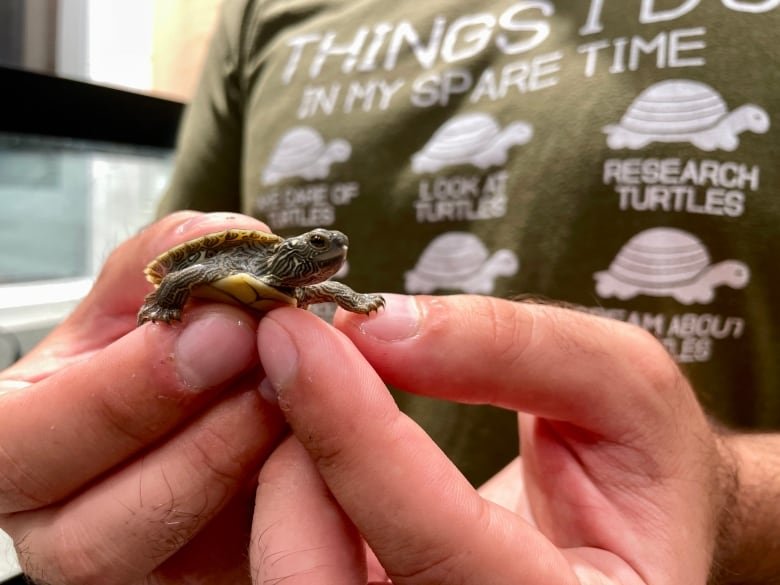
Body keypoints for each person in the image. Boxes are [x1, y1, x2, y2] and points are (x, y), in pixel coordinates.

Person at [1, 0, 779, 583]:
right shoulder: (263, 13)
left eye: (334, 252)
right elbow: (181, 260)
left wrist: (729, 496)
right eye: (317, 246)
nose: (329, 253)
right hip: (268, 529)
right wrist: (73, 436)